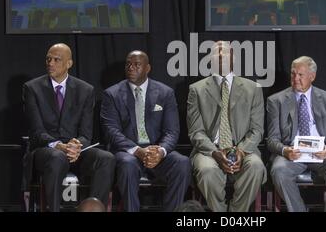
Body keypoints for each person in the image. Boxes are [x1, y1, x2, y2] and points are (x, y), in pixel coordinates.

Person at [23, 43, 115, 212]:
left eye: (56, 60)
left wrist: (75, 145)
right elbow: (37, 132)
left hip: (75, 152)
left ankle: (93, 209)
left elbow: (86, 134)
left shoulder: (85, 90)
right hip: (47, 150)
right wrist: (58, 145)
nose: (50, 63)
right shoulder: (32, 88)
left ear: (69, 63)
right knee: (57, 157)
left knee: (106, 158)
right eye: (48, 59)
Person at [101, 50, 191, 212]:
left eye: (137, 64)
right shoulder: (112, 94)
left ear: (147, 68)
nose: (131, 68)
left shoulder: (165, 93)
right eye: (128, 64)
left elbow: (172, 131)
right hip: (128, 152)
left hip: (156, 152)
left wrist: (160, 151)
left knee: (182, 163)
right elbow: (112, 131)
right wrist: (138, 151)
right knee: (127, 165)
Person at [187, 41, 267, 212]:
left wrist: (241, 151)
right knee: (207, 170)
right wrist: (215, 153)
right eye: (217, 53)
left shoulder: (253, 88)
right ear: (210, 59)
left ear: (234, 59)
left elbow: (257, 129)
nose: (222, 56)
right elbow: (196, 131)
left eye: (226, 53)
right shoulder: (197, 89)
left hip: (242, 149)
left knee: (256, 166)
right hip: (209, 150)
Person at [267, 56, 326, 212]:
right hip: (293, 154)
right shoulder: (276, 101)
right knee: (278, 169)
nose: (296, 78)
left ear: (312, 76)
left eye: (300, 75)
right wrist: (285, 151)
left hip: (321, 152)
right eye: (293, 74)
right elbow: (272, 140)